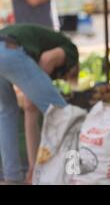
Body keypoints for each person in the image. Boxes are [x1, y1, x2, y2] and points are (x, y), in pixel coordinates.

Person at [0, 24, 79, 184]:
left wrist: (33, 169)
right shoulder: (71, 50)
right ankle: (74, 173)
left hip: (5, 48)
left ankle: (12, 177)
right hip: (9, 51)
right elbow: (47, 59)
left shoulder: (39, 41)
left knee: (6, 113)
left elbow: (30, 110)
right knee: (66, 116)